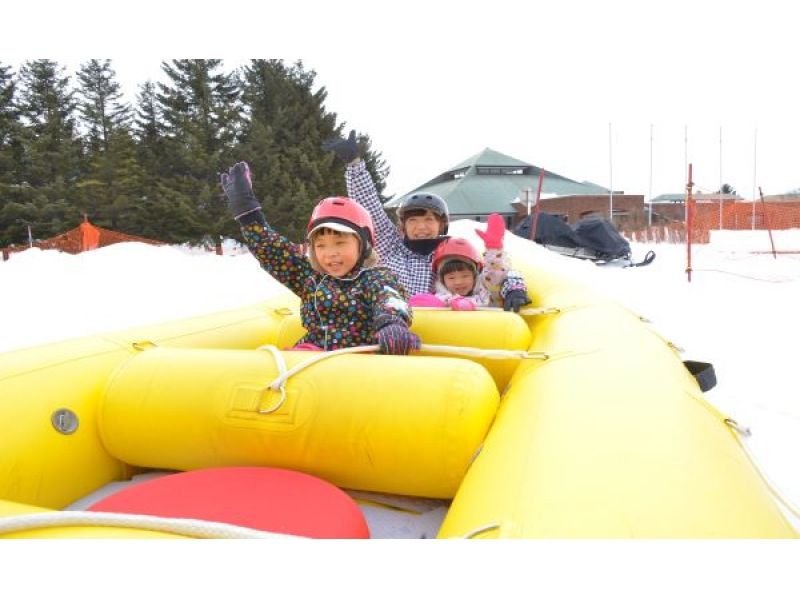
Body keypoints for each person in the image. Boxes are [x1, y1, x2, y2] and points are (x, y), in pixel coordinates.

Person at [220, 161, 420, 355]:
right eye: (321, 246)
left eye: (340, 243)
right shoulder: (310, 277)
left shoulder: (375, 278)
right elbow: (275, 252)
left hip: (360, 359)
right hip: (312, 358)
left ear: (363, 245)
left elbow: (389, 298)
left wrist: (392, 323)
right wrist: (248, 215)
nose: (330, 253)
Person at [322, 130, 531, 312]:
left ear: (441, 225)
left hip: (440, 325)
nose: (421, 227)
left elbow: (491, 274)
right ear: (403, 226)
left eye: (429, 220)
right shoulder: (390, 248)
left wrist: (514, 288)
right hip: (395, 319)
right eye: (413, 220)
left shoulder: (451, 252)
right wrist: (354, 164)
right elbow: (370, 208)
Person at [427, 213, 512, 311]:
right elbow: (441, 301)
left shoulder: (483, 286)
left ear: (475, 275)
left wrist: (494, 248)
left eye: (465, 276)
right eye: (451, 277)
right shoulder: (441, 297)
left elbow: (496, 272)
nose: (458, 282)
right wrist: (456, 302)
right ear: (442, 280)